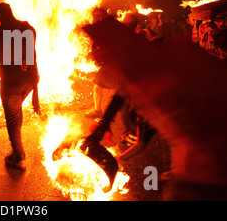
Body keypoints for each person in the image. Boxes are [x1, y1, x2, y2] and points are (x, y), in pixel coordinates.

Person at [83, 16, 227, 200]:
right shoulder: (163, 49)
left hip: (206, 177)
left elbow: (139, 141)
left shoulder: (156, 79)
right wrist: (104, 123)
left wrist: (115, 157)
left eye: (111, 62)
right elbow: (123, 91)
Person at [0, 2, 40, 170]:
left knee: (12, 119)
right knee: (16, 111)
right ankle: (16, 148)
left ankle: (18, 155)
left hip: (11, 82)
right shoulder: (27, 28)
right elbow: (32, 55)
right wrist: (35, 87)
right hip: (28, 81)